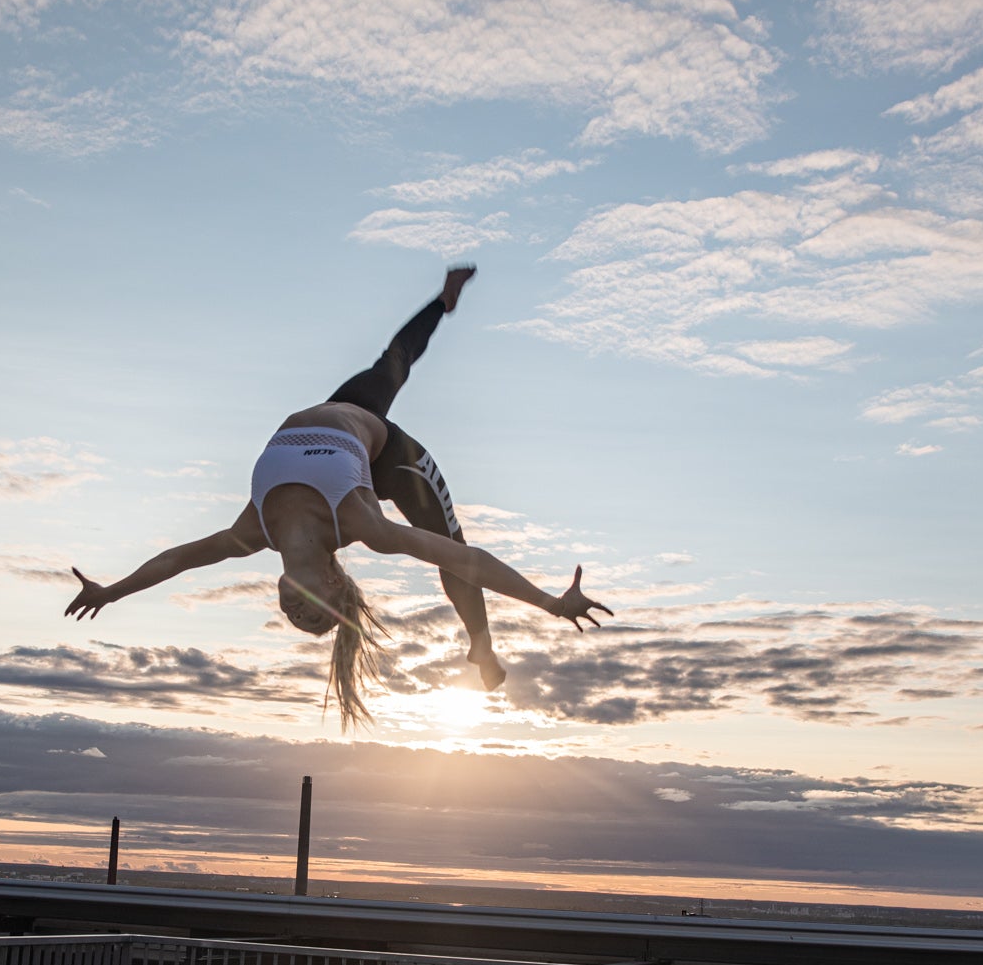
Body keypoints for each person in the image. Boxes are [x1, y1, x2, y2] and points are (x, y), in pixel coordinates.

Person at [65, 266, 610, 726]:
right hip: (393, 455)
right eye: (312, 612)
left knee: (392, 364)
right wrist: (549, 603)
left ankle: (443, 300)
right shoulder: (363, 526)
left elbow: (177, 559)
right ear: (331, 580)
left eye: (293, 618)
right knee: (450, 548)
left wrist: (111, 592)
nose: (293, 611)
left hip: (340, 412)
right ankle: (482, 645)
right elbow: (469, 559)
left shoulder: (252, 532)